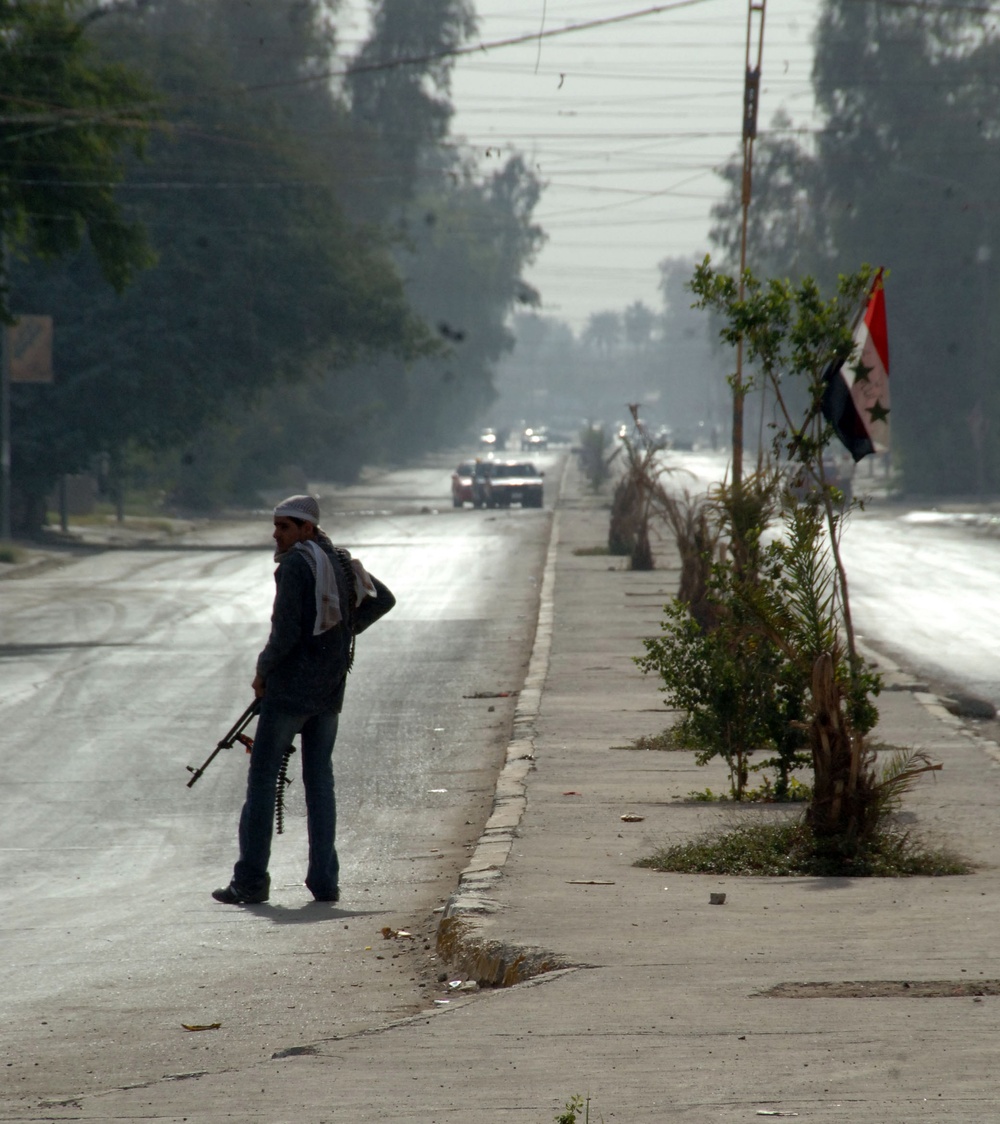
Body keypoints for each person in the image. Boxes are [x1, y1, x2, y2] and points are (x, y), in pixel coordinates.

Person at [213, 494, 395, 905]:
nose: (276, 534)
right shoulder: (339, 560)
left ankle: (250, 881)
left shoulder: (297, 564)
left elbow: (285, 631)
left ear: (306, 529)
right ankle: (324, 882)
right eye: (276, 526)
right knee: (320, 783)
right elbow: (383, 599)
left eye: (285, 527)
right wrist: (344, 634)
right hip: (329, 692)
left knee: (261, 783)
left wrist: (262, 672)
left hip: (290, 692)